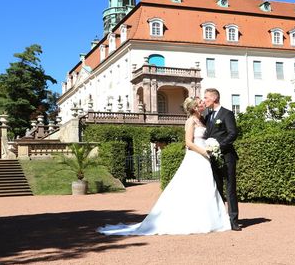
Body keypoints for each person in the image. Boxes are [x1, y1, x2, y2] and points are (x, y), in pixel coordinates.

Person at [97, 97, 230, 236]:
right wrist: (205, 152)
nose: (203, 103)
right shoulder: (190, 121)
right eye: (200, 103)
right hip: (197, 156)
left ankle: (211, 219)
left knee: (207, 186)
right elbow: (188, 143)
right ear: (194, 108)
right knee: (195, 185)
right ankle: (196, 220)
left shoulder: (203, 119)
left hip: (205, 157)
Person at [203, 88, 241, 231]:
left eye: (206, 98)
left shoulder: (227, 113)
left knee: (230, 188)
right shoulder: (208, 116)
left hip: (227, 156)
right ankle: (220, 219)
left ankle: (233, 220)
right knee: (217, 188)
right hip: (213, 158)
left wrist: (219, 145)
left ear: (214, 98)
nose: (205, 100)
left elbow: (233, 133)